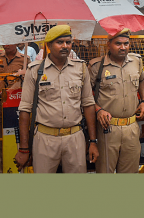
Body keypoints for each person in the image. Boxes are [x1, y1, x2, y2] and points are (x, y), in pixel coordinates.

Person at [14, 25, 98, 173]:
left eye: (68, 42)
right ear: (49, 45)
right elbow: (25, 109)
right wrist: (24, 148)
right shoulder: (35, 70)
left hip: (75, 138)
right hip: (45, 138)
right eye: (60, 42)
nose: (65, 46)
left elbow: (88, 104)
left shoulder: (81, 68)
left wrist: (92, 141)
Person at [88, 28, 144, 173]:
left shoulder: (136, 61)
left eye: (126, 43)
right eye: (118, 44)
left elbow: (141, 79)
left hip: (131, 128)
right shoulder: (97, 66)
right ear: (108, 44)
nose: (123, 47)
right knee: (105, 173)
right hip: (107, 129)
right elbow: (85, 96)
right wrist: (98, 109)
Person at [0, 44, 29, 173]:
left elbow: (30, 82)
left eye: (10, 41)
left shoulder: (25, 59)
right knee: (1, 144)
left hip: (19, 109)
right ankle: (3, 171)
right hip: (0, 110)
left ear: (16, 43)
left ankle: (22, 171)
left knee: (22, 141)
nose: (7, 45)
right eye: (4, 41)